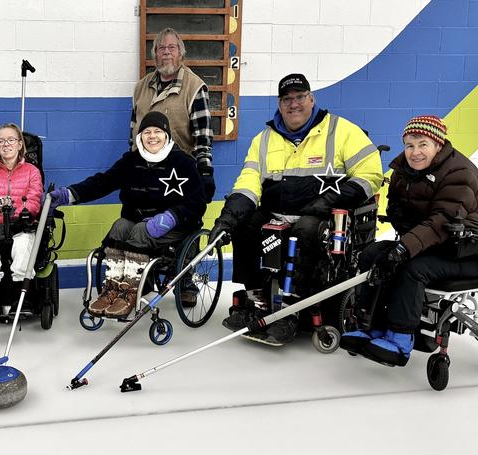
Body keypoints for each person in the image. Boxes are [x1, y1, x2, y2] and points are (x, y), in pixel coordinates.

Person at [210, 73, 384, 345]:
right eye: (287, 99)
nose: (294, 104)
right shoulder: (264, 139)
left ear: (311, 99)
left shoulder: (341, 130)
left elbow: (370, 173)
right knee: (245, 227)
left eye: (300, 97)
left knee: (304, 231)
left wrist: (331, 201)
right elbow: (248, 183)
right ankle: (257, 299)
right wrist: (227, 218)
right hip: (276, 212)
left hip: (320, 215)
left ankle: (292, 310)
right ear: (279, 104)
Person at [340, 116, 478, 366]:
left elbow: (442, 221)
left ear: (438, 144)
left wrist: (405, 248)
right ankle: (371, 328)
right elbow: (397, 208)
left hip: (465, 251)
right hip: (428, 243)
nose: (415, 152)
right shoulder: (403, 169)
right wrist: (401, 229)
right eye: (409, 145)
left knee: (411, 268)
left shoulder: (460, 172)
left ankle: (400, 339)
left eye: (423, 144)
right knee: (372, 255)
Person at [50, 111, 206, 317]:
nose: (152, 136)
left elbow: (198, 201)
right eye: (146, 132)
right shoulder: (131, 160)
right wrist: (70, 194)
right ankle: (113, 287)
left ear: (167, 135)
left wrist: (172, 216)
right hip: (138, 223)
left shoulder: (183, 162)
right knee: (120, 226)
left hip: (175, 227)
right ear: (140, 136)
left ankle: (130, 291)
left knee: (140, 231)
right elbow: (103, 182)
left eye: (158, 131)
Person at [131, 28, 215, 202]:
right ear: (155, 55)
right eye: (161, 48)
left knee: (166, 226)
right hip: (143, 173)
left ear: (181, 54)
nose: (166, 51)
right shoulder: (140, 88)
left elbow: (203, 138)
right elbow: (133, 132)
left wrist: (205, 172)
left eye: (172, 47)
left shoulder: (195, 87)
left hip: (176, 176)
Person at [0, 123, 43, 316]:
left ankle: (23, 299)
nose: (6, 144)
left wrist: (22, 219)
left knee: (22, 248)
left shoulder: (32, 171)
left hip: (23, 225)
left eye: (11, 140)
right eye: (1, 141)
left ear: (20, 144)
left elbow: (35, 197)